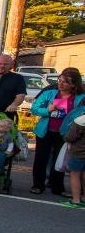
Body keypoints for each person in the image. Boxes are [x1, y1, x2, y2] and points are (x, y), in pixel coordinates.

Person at [29, 68, 85, 196]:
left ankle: (57, 187)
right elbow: (35, 108)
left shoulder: (80, 98)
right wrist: (47, 110)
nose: (61, 83)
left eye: (66, 82)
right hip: (45, 130)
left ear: (74, 84)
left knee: (60, 160)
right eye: (60, 80)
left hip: (65, 132)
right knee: (41, 158)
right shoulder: (50, 93)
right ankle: (38, 185)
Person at [62, 110, 85, 208]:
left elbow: (70, 137)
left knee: (75, 175)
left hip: (78, 152)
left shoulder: (80, 121)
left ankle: (76, 200)